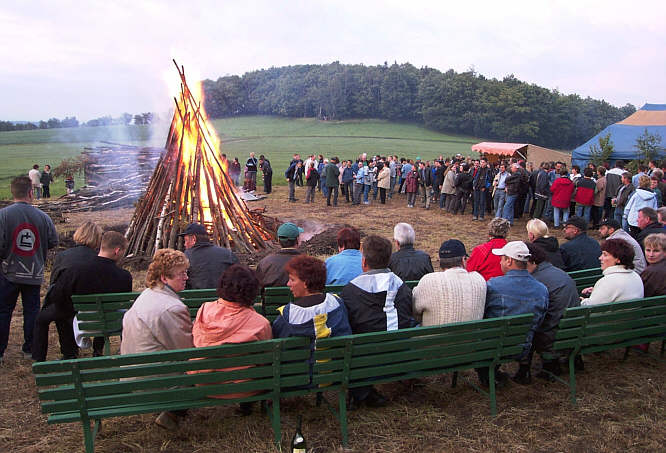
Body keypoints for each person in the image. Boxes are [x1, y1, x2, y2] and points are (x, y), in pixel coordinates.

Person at [120, 248, 193, 430]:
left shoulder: (147, 295)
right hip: (154, 381)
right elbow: (187, 351)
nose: (186, 278)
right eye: (181, 274)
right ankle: (172, 413)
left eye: (186, 272)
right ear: (163, 278)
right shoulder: (172, 308)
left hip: (133, 374)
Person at [341, 235, 417, 408]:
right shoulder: (403, 288)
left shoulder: (350, 291)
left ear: (364, 261)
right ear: (389, 260)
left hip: (365, 359)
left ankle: (362, 393)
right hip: (400, 353)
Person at [32, 231, 132, 361]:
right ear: (117, 251)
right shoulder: (125, 276)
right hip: (110, 320)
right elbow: (122, 302)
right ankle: (98, 349)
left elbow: (58, 295)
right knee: (104, 308)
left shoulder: (76, 270)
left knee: (43, 317)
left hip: (80, 318)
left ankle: (40, 359)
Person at [190, 264, 271, 413]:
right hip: (244, 388)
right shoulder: (260, 323)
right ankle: (246, 406)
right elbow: (265, 360)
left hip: (205, 384)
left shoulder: (204, 310)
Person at [0, 176, 58, 363]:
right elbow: (52, 242)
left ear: (13, 192)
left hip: (8, 273)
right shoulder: (43, 217)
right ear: (31, 192)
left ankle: (0, 352)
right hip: (33, 273)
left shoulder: (3, 216)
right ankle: (30, 349)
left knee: (3, 312)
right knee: (32, 311)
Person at [272, 256, 352, 383]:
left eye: (292, 279)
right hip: (336, 373)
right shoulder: (337, 303)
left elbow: (275, 343)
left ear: (305, 283)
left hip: (298, 379)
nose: (288, 284)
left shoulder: (288, 315)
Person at [479, 241, 548, 386]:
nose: (500, 261)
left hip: (494, 347)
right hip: (523, 346)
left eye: (502, 258)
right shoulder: (542, 289)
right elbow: (539, 320)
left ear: (509, 261)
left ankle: (486, 375)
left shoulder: (493, 285)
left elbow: (482, 315)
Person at [39, 221, 103, 357]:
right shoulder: (99, 259)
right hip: (92, 308)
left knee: (52, 315)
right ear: (97, 239)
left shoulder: (63, 256)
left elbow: (54, 282)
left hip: (66, 306)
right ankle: (97, 350)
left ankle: (63, 353)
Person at [524, 243, 579, 379]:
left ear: (528, 261)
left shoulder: (535, 282)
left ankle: (524, 372)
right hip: (575, 332)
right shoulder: (558, 272)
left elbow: (530, 318)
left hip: (552, 337)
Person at [412, 239, 486, 326]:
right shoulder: (479, 280)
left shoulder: (428, 281)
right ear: (463, 259)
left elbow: (416, 313)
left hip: (434, 338)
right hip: (472, 338)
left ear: (439, 260)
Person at [580, 239, 644, 306]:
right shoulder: (636, 276)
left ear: (618, 259)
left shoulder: (608, 281)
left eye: (605, 255)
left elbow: (591, 308)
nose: (600, 258)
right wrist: (596, 291)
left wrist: (583, 301)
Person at [179, 223, 239, 289]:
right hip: (224, 297)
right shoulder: (228, 254)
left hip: (197, 298)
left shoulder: (185, 257)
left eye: (186, 240)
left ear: (194, 239)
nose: (185, 244)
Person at [256, 222, 303, 287]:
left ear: (278, 240)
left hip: (271, 297)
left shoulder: (265, 263)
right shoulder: (309, 263)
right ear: (297, 239)